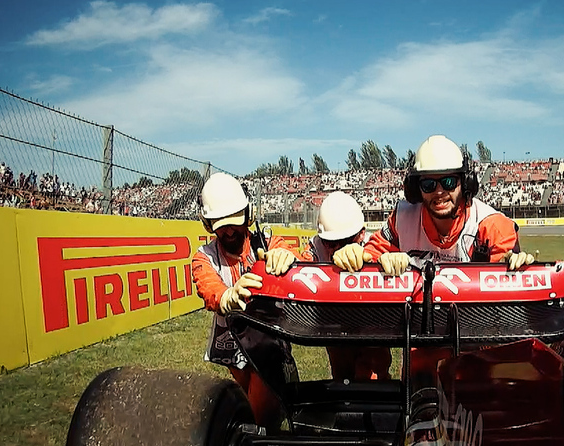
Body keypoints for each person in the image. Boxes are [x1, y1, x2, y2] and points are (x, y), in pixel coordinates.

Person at [332, 134, 536, 275]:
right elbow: (372, 252)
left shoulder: (492, 226)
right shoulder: (401, 218)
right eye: (428, 184)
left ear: (465, 183)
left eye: (448, 182)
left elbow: (506, 283)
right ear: (416, 189)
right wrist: (355, 255)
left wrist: (511, 266)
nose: (439, 192)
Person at [191, 172, 301, 427]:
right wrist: (226, 296)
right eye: (220, 224)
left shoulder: (267, 241)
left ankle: (260, 439)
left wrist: (286, 258)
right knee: (248, 397)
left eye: (234, 222)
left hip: (269, 341)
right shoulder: (204, 256)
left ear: (248, 216)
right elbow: (207, 285)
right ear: (208, 224)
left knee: (262, 402)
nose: (229, 230)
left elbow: (288, 251)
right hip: (232, 343)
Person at [302, 191, 392, 380]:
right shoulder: (315, 247)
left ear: (361, 234)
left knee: (377, 368)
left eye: (345, 242)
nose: (337, 249)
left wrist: (372, 259)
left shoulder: (372, 244)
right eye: (330, 243)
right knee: (341, 372)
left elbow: (382, 255)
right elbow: (300, 265)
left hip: (371, 318)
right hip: (335, 320)